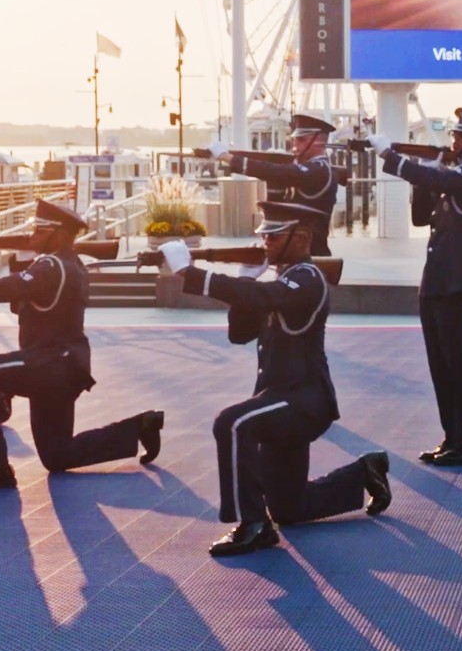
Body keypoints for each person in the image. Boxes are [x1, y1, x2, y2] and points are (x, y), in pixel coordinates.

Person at [157, 200, 392, 556]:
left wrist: (191, 275)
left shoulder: (307, 277)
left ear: (301, 238)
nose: (266, 243)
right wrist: (243, 281)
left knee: (232, 424)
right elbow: (240, 333)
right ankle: (364, 473)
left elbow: (267, 296)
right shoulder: (282, 281)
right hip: (278, 401)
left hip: (303, 400)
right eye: (264, 236)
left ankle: (252, 525)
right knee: (288, 509)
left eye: (274, 236)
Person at [0, 200, 164, 492]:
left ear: (57, 234)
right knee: (57, 455)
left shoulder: (52, 265)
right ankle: (139, 427)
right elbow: (30, 303)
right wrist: (19, 262)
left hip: (50, 362)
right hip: (64, 366)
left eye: (38, 230)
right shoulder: (69, 264)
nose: (31, 235)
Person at [367, 108, 462, 466]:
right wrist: (428, 173)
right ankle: (453, 437)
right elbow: (422, 217)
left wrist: (391, 158)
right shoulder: (454, 174)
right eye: (454, 134)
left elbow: (449, 183)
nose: (454, 140)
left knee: (459, 361)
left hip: (458, 280)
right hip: (437, 280)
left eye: (461, 135)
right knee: (440, 363)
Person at [217, 113, 344, 256]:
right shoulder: (308, 168)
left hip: (312, 253)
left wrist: (227, 158)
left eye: (301, 140)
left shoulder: (320, 170)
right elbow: (277, 204)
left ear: (318, 142)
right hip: (292, 252)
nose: (295, 144)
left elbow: (276, 172)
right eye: (294, 139)